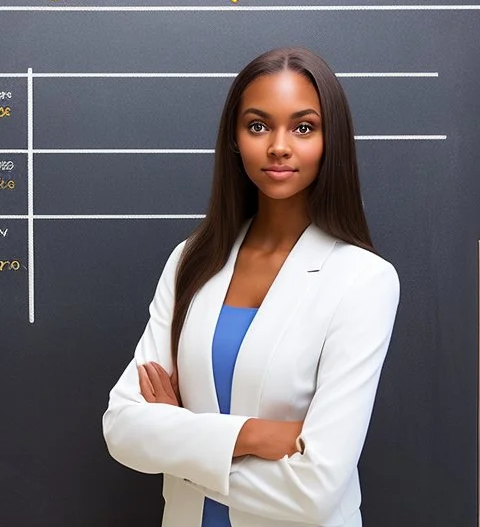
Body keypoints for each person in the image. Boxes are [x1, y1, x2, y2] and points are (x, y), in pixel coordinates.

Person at [102, 47, 399, 527]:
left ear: (331, 140)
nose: (279, 146)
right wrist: (254, 436)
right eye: (258, 126)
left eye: (303, 127)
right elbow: (121, 427)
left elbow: (315, 492)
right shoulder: (191, 261)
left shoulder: (364, 280)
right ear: (235, 140)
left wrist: (180, 445)